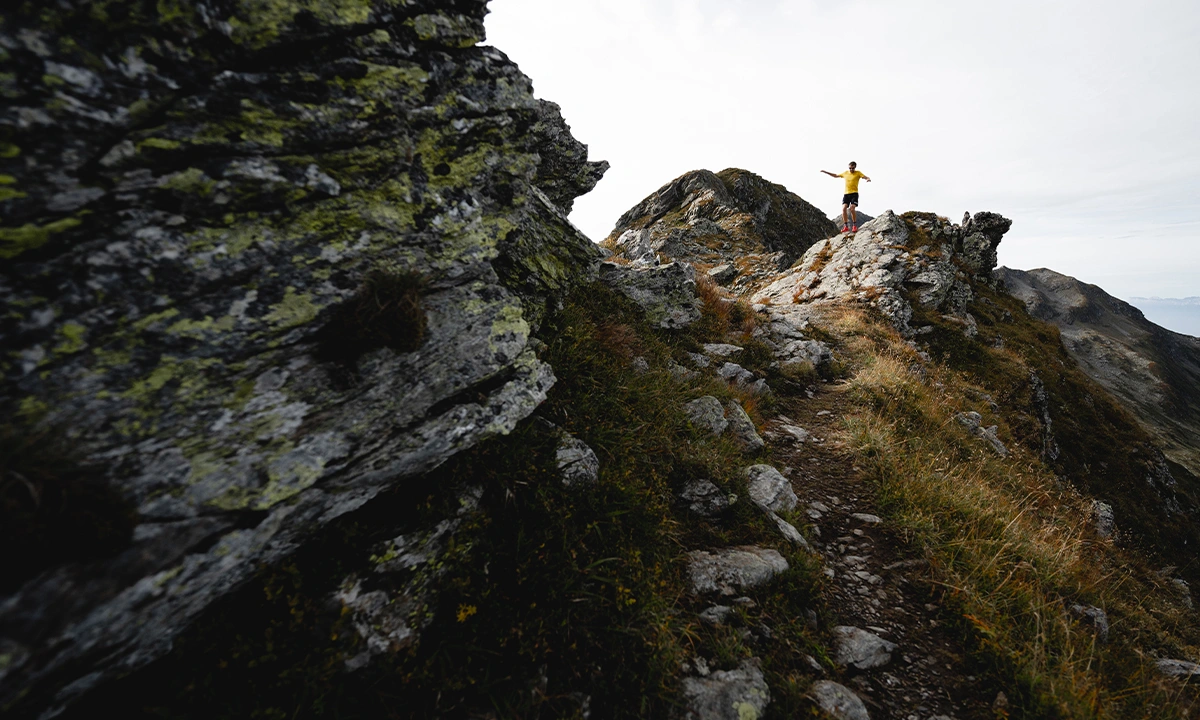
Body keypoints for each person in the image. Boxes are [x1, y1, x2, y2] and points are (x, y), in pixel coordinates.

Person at [820, 162, 871, 233]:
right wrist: (825, 172)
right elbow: (835, 175)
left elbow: (865, 177)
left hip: (854, 194)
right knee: (844, 209)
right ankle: (846, 226)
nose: (851, 170)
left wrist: (868, 179)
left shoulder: (858, 173)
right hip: (846, 194)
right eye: (850, 168)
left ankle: (854, 225)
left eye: (852, 168)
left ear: (855, 167)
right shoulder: (845, 173)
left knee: (852, 208)